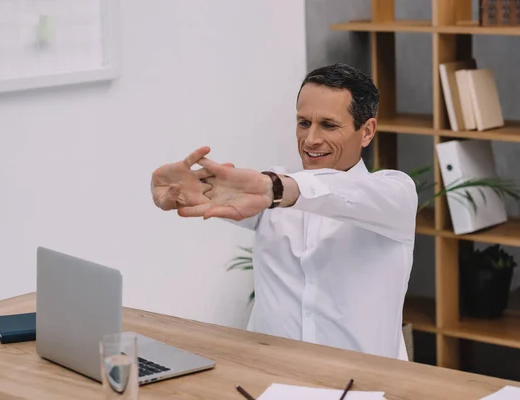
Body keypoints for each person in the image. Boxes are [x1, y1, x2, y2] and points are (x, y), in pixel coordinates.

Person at [150, 63, 418, 360]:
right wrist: (185, 191)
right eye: (304, 123)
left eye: (328, 125)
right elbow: (241, 194)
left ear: (366, 131)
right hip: (269, 379)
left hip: (363, 386)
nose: (311, 139)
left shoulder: (394, 194)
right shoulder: (270, 191)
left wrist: (275, 190)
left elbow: (341, 195)